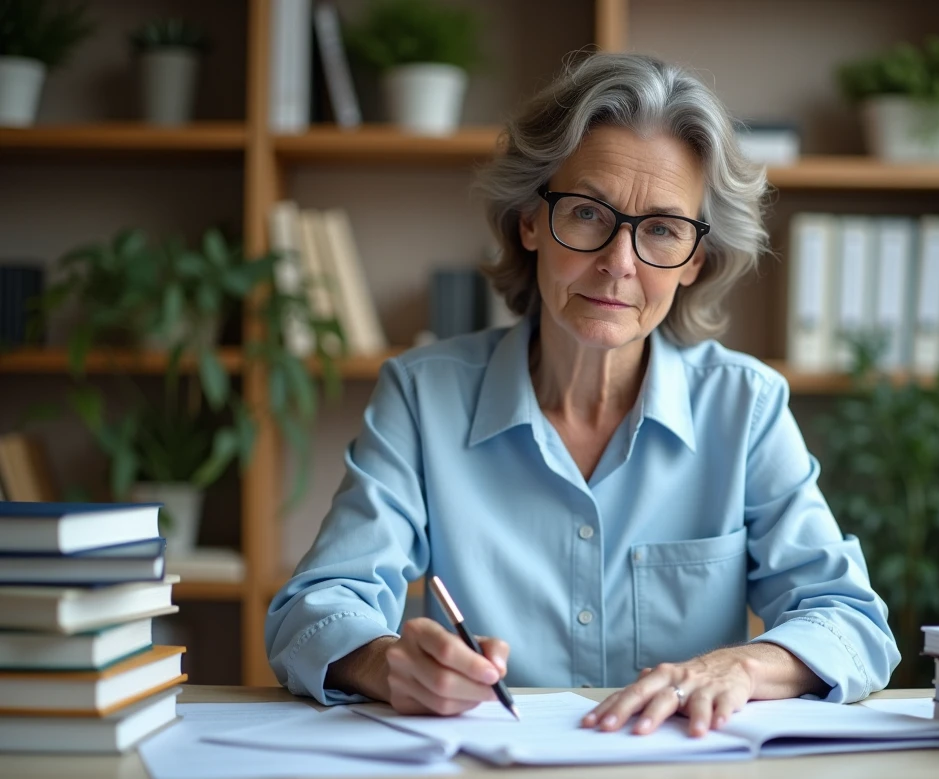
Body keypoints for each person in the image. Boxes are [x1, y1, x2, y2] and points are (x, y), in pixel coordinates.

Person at [265, 52, 900, 739]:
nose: (620, 263)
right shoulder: (423, 398)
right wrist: (389, 664)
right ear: (530, 223)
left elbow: (853, 623)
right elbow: (314, 608)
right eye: (589, 213)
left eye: (661, 229)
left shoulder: (745, 409)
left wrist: (739, 669)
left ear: (693, 261)